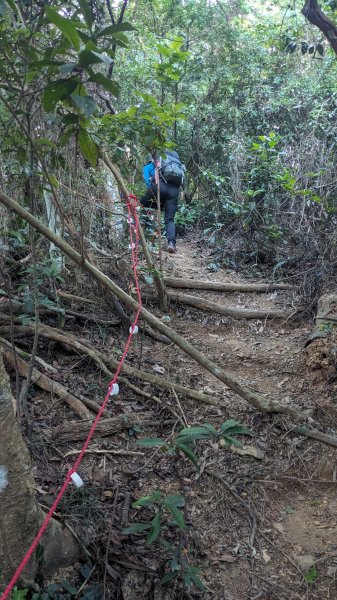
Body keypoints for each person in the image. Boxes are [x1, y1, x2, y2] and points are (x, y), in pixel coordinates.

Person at [139, 150, 184, 254]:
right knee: (170, 219)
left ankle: (144, 232)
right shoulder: (178, 165)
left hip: (160, 186)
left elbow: (153, 177)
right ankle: (171, 243)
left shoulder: (161, 159)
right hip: (174, 192)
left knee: (142, 204)